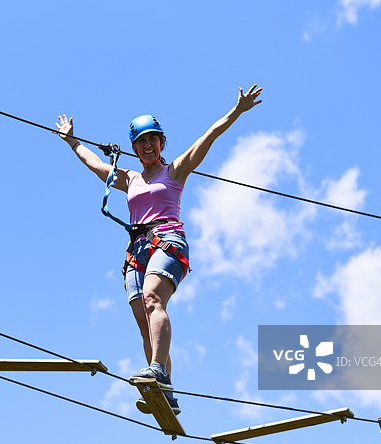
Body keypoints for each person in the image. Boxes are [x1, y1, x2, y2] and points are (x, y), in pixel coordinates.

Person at [56, 85, 262, 414]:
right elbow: (95, 164)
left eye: (153, 139)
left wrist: (236, 111)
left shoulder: (175, 171)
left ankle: (158, 371)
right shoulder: (130, 178)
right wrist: (71, 140)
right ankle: (165, 389)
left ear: (161, 143)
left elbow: (208, 137)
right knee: (143, 320)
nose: (148, 145)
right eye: (141, 142)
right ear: (135, 148)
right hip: (136, 250)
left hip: (167, 240)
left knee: (154, 297)